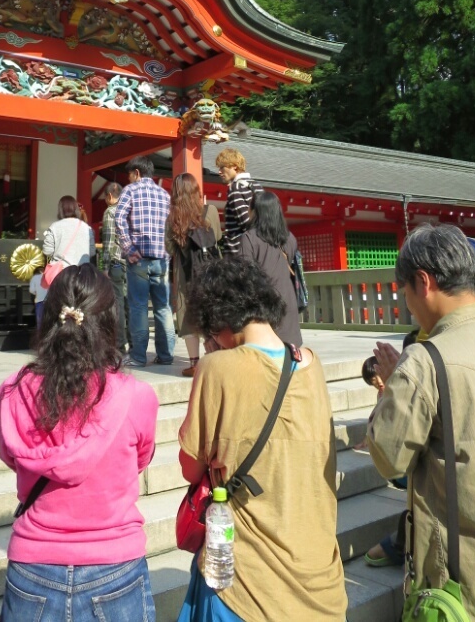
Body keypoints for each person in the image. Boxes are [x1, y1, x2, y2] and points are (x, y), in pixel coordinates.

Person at [367, 223, 475, 619]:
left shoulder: (424, 361)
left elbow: (388, 458)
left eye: (404, 291)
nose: (407, 304)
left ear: (423, 282)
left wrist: (390, 390)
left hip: (466, 581)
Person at [177, 257, 347, 622]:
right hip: (320, 574)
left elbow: (190, 468)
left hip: (248, 581)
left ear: (217, 318)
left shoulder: (216, 368)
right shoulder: (312, 363)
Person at [0, 264, 158, 620]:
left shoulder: (13, 392)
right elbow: (140, 459)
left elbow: (12, 456)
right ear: (110, 323)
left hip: (33, 564)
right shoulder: (138, 396)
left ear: (49, 319)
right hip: (114, 560)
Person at [114, 155, 174, 367]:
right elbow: (172, 225)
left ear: (136, 173)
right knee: (163, 307)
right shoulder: (164, 195)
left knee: (138, 307)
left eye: (130, 174)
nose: (129, 179)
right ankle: (166, 355)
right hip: (162, 259)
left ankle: (139, 356)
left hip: (138, 258)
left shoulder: (130, 190)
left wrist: (128, 247)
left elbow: (119, 218)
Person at [165, 172, 222, 377]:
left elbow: (169, 249)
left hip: (185, 273)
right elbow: (217, 236)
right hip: (210, 271)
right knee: (212, 310)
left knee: (187, 314)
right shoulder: (211, 211)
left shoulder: (173, 219)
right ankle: (217, 357)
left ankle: (195, 363)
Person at [239, 190, 303, 348]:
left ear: (256, 211)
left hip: (264, 304)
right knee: (290, 353)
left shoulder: (249, 238)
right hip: (288, 301)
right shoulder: (289, 238)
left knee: (267, 355)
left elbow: (244, 275)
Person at [215, 148, 263, 254]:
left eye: (222, 167)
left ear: (234, 167)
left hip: (240, 250)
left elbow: (245, 223)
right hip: (260, 247)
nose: (219, 172)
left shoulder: (236, 188)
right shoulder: (256, 185)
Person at [101, 181, 129, 353]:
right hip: (132, 263)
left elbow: (108, 242)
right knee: (132, 304)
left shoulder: (110, 212)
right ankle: (135, 344)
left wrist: (104, 267)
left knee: (117, 304)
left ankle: (119, 343)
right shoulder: (130, 210)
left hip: (116, 263)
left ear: (110, 196)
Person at [41, 195, 96, 274]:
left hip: (61, 273)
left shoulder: (54, 227)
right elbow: (92, 252)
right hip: (82, 273)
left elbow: (47, 251)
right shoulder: (87, 228)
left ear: (60, 210)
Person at [28, 261, 46, 328]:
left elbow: (31, 290)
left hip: (39, 301)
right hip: (50, 301)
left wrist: (37, 293)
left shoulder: (35, 278)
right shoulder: (49, 277)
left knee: (40, 321)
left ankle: (40, 336)